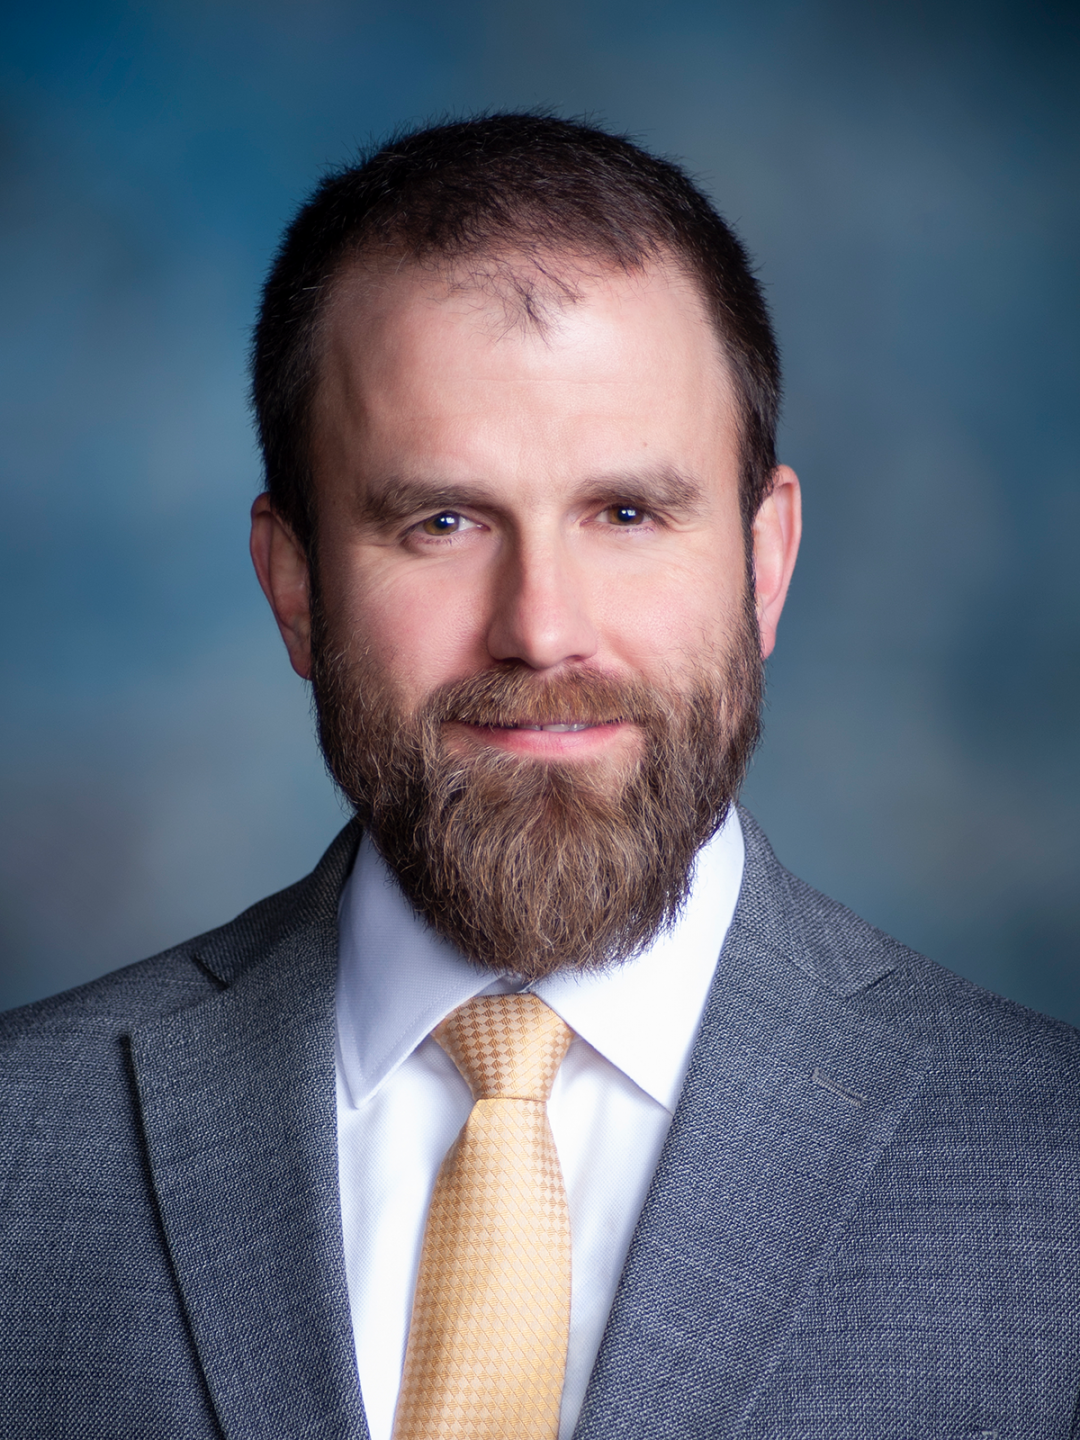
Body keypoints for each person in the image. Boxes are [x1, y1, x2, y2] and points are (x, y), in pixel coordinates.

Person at [1, 113, 1079, 1440]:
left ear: (765, 561)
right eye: (441, 522)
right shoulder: (20, 1151)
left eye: (627, 513)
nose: (542, 627)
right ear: (294, 586)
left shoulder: (1055, 1173)